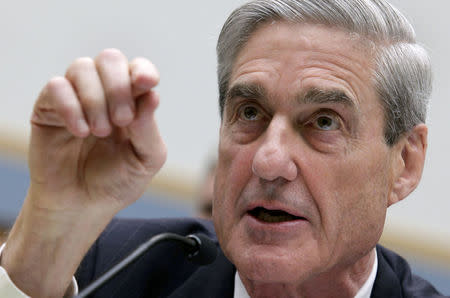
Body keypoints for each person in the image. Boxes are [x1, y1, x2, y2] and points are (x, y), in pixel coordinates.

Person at [0, 0, 445, 297]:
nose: (269, 161)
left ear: (404, 163)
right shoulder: (109, 267)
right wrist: (50, 225)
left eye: (324, 122)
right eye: (250, 113)